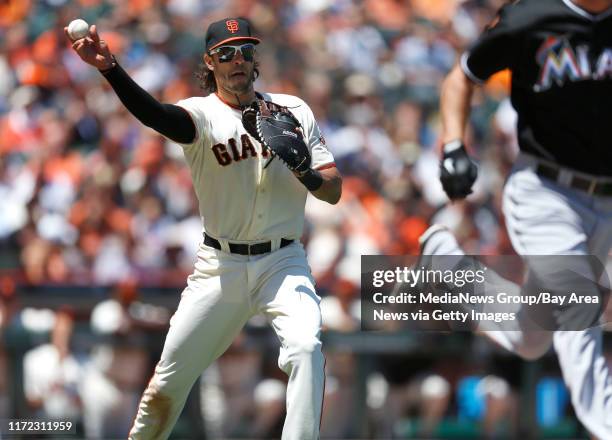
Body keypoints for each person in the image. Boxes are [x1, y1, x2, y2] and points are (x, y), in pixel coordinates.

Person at [65, 17, 342, 440]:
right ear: (209, 62)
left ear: (255, 58)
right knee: (167, 384)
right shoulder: (201, 115)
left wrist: (305, 171)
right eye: (226, 53)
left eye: (245, 50)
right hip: (220, 267)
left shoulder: (294, 109)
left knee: (307, 348)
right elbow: (156, 115)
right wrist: (110, 69)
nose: (237, 60)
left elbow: (334, 191)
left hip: (283, 262)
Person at [425, 0, 612, 438]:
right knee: (574, 302)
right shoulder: (530, 16)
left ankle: (451, 270)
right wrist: (453, 145)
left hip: (607, 197)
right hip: (547, 190)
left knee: (532, 338)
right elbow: (462, 77)